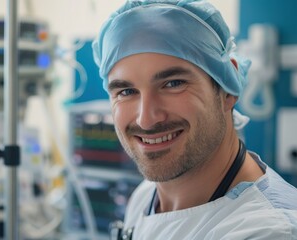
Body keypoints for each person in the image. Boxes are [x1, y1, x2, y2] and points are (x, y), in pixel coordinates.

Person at [92, 0, 297, 239]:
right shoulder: (146, 196)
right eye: (126, 91)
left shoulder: (268, 231)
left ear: (227, 88)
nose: (146, 119)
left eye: (173, 84)